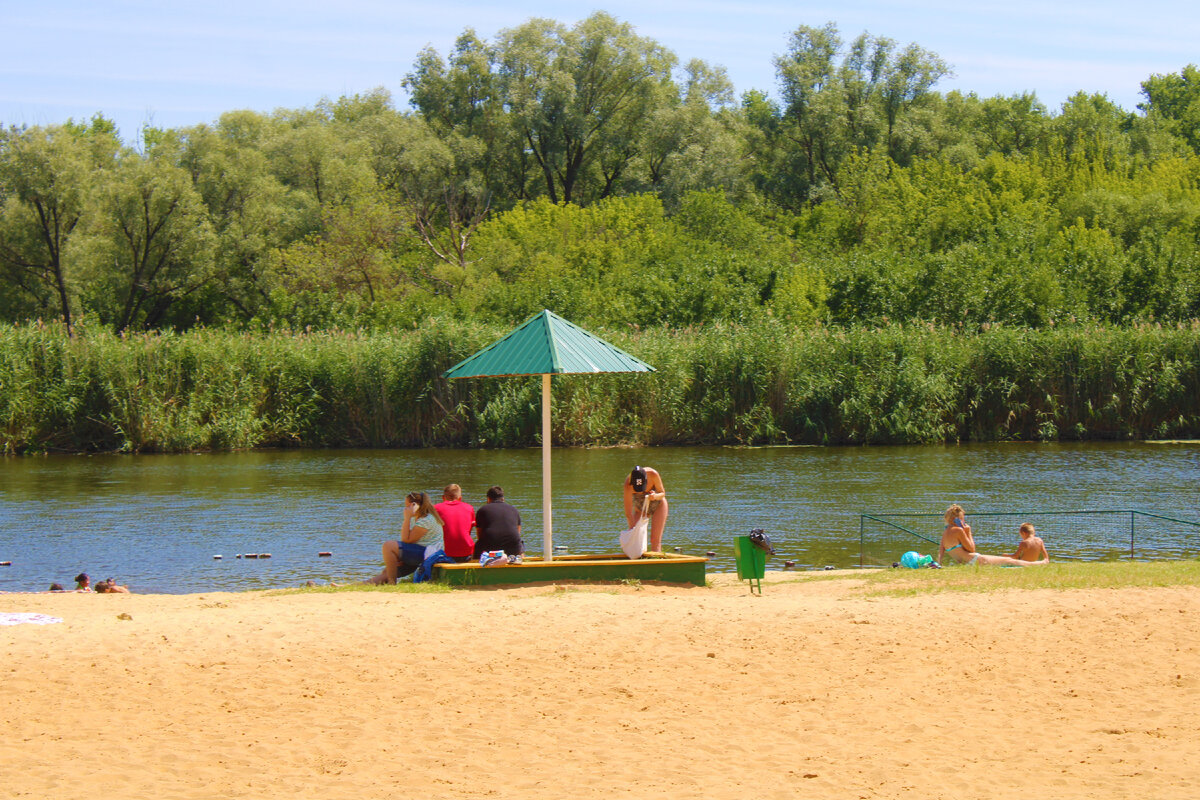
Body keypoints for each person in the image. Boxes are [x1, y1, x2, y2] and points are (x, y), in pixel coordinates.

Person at [369, 491, 444, 584]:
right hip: (420, 553)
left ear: (414, 505)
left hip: (429, 554)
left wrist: (407, 518)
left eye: (408, 506)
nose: (405, 509)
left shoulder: (426, 520)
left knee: (388, 546)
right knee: (387, 570)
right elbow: (407, 542)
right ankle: (362, 585)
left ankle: (392, 583)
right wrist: (401, 557)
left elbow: (406, 540)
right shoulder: (416, 518)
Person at [937, 505, 1048, 566]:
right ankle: (1040, 563)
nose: (964, 520)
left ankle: (1037, 563)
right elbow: (972, 549)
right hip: (975, 560)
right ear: (956, 519)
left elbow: (941, 550)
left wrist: (939, 564)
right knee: (1010, 562)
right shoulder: (959, 531)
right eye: (962, 518)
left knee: (1008, 561)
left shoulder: (945, 531)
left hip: (965, 563)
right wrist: (968, 531)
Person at [624, 465, 669, 552]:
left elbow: (662, 493)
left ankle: (656, 562)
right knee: (636, 540)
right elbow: (628, 513)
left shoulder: (653, 474)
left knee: (655, 540)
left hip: (658, 504)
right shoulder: (627, 484)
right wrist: (632, 529)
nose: (641, 491)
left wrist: (655, 496)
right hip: (640, 508)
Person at [473, 486, 523, 558]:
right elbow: (518, 532)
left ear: (488, 499)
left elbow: (479, 534)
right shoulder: (513, 509)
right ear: (503, 499)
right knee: (520, 542)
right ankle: (521, 560)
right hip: (512, 549)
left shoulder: (482, 510)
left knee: (478, 544)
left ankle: (475, 564)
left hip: (491, 548)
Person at [435, 484, 476, 563]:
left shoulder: (436, 508)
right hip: (466, 552)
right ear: (460, 498)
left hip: (445, 553)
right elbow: (468, 531)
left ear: (443, 497)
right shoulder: (469, 508)